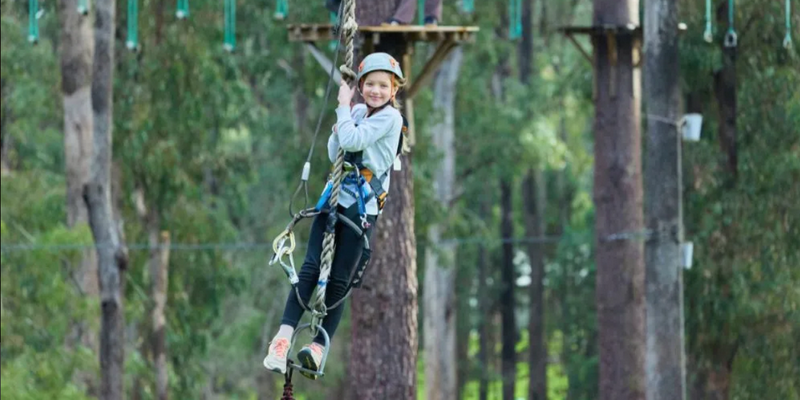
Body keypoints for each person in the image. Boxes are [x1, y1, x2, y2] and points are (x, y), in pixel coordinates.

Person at [263, 52, 406, 378]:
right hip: (335, 200)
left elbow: (353, 139)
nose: (376, 91)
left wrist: (343, 107)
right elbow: (335, 151)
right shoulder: (356, 110)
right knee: (311, 267)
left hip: (361, 211)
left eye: (383, 86)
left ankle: (318, 346)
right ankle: (282, 340)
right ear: (362, 86)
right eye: (370, 84)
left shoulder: (391, 119)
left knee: (339, 280)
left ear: (393, 90)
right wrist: (340, 123)